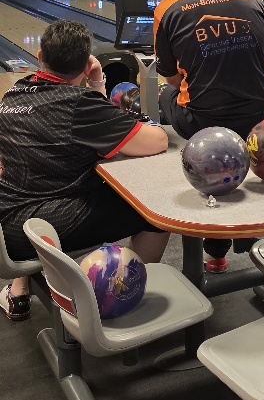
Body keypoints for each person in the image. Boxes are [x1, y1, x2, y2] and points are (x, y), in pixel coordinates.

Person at [0, 20, 170, 322]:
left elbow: (95, 126)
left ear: (40, 57)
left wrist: (95, 91)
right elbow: (157, 141)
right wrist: (97, 83)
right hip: (37, 228)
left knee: (38, 177)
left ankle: (18, 290)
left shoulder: (16, 92)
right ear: (87, 62)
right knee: (155, 209)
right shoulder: (78, 104)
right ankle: (118, 294)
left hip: (7, 221)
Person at [155, 0, 264, 273]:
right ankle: (252, 242)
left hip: (202, 122)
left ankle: (214, 251)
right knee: (241, 143)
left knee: (163, 92)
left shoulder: (168, 9)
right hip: (254, 117)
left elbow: (170, 76)